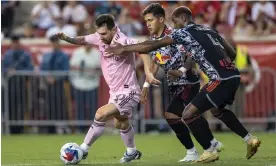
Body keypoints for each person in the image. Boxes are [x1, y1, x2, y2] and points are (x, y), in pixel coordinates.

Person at [106, 6, 261, 163]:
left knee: (187, 114)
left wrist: (124, 48)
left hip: (216, 79)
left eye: (175, 21)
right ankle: (249, 139)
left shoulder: (182, 33)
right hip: (233, 75)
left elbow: (151, 47)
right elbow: (232, 53)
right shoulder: (208, 29)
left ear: (184, 19)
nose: (174, 26)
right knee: (217, 110)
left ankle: (209, 150)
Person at [55, 14, 160, 163]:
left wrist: (148, 73)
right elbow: (83, 40)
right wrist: (67, 38)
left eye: (104, 34)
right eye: (99, 33)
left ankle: (83, 149)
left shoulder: (123, 41)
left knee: (100, 114)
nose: (101, 37)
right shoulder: (99, 37)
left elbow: (143, 49)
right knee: (120, 123)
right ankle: (132, 151)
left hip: (129, 91)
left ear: (114, 29)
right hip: (115, 92)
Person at [140, 3, 223, 162]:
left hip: (187, 81)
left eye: (150, 20)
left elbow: (191, 55)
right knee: (193, 114)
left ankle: (193, 151)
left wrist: (182, 71)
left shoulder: (175, 35)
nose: (148, 24)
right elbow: (155, 63)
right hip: (174, 85)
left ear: (161, 19)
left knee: (172, 115)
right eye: (146, 21)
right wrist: (145, 86)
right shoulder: (153, 41)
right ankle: (212, 142)